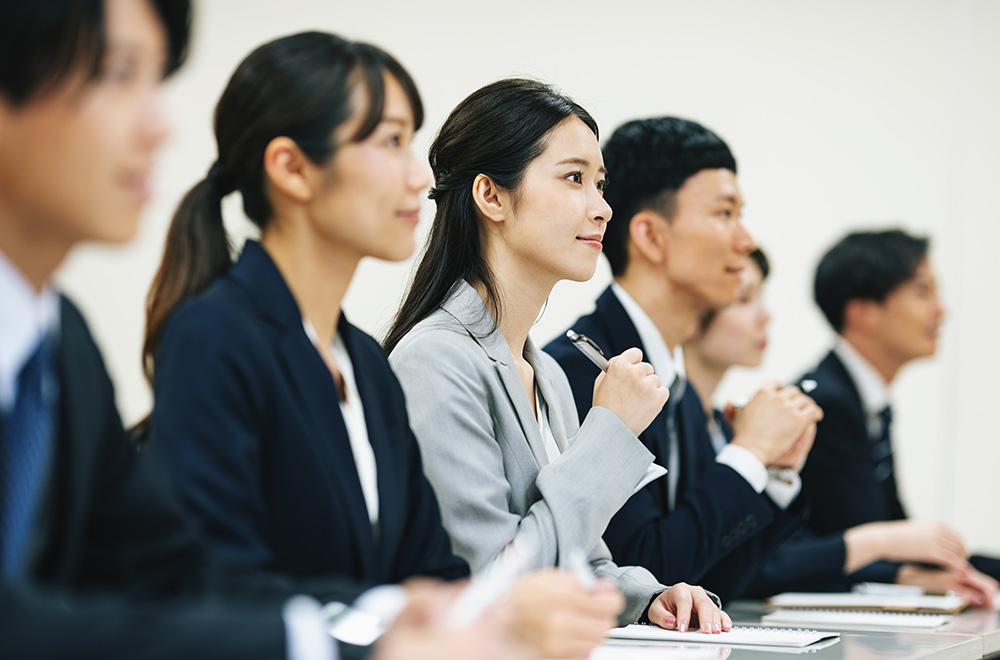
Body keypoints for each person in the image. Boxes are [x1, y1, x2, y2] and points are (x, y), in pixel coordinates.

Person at [0, 4, 519, 658]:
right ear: (292, 168)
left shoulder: (60, 339)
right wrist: (359, 636)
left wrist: (439, 613)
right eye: (119, 73)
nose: (161, 125)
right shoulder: (211, 337)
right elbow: (194, 583)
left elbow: (167, 572)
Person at [142, 32, 606, 659]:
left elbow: (433, 573)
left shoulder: (363, 363)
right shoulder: (216, 338)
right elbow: (217, 586)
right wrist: (391, 619)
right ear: (293, 169)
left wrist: (458, 610)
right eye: (390, 142)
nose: (418, 177)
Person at [385, 79, 730, 635]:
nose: (603, 208)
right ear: (491, 196)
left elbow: (581, 561)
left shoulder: (546, 372)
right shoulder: (435, 361)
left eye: (601, 184)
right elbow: (492, 584)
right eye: (574, 179)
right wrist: (612, 431)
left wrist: (648, 597)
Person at [544, 117, 822, 603]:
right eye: (724, 213)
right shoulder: (578, 370)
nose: (746, 242)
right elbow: (643, 572)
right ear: (651, 237)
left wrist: (772, 471)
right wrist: (749, 452)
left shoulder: (678, 383)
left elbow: (714, 580)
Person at [793, 229, 999, 605]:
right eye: (922, 292)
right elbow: (860, 540)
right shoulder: (825, 405)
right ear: (863, 312)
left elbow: (899, 534)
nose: (940, 310)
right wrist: (909, 573)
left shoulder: (866, 403)